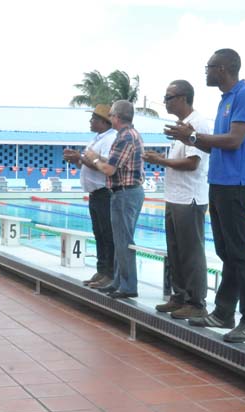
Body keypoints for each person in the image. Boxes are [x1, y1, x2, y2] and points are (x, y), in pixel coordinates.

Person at [164, 48, 245, 343]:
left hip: (236, 183)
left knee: (240, 253)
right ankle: (223, 312)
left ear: (222, 69)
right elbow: (214, 146)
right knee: (226, 252)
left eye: (208, 67)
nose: (205, 72)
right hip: (218, 182)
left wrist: (193, 137)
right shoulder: (225, 101)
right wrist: (189, 138)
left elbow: (234, 141)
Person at [143, 80, 210, 319]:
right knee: (175, 251)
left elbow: (193, 163)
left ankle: (196, 303)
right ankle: (179, 296)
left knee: (191, 252)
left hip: (189, 199)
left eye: (169, 97)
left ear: (183, 98)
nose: (165, 101)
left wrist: (160, 161)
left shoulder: (198, 124)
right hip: (175, 197)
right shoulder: (181, 125)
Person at [85, 100, 145, 299]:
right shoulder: (124, 135)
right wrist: (95, 158)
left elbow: (109, 169)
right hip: (122, 193)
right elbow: (112, 163)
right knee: (120, 241)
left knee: (124, 241)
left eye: (111, 115)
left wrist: (93, 159)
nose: (109, 118)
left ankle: (128, 286)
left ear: (117, 117)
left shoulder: (126, 137)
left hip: (126, 193)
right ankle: (119, 281)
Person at [63, 104, 117, 290]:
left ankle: (110, 273)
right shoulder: (96, 139)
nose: (90, 121)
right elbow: (88, 165)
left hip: (105, 193)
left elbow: (105, 167)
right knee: (99, 234)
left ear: (103, 122)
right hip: (95, 194)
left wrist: (81, 157)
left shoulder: (110, 139)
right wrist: (77, 160)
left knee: (107, 235)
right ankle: (101, 270)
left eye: (93, 118)